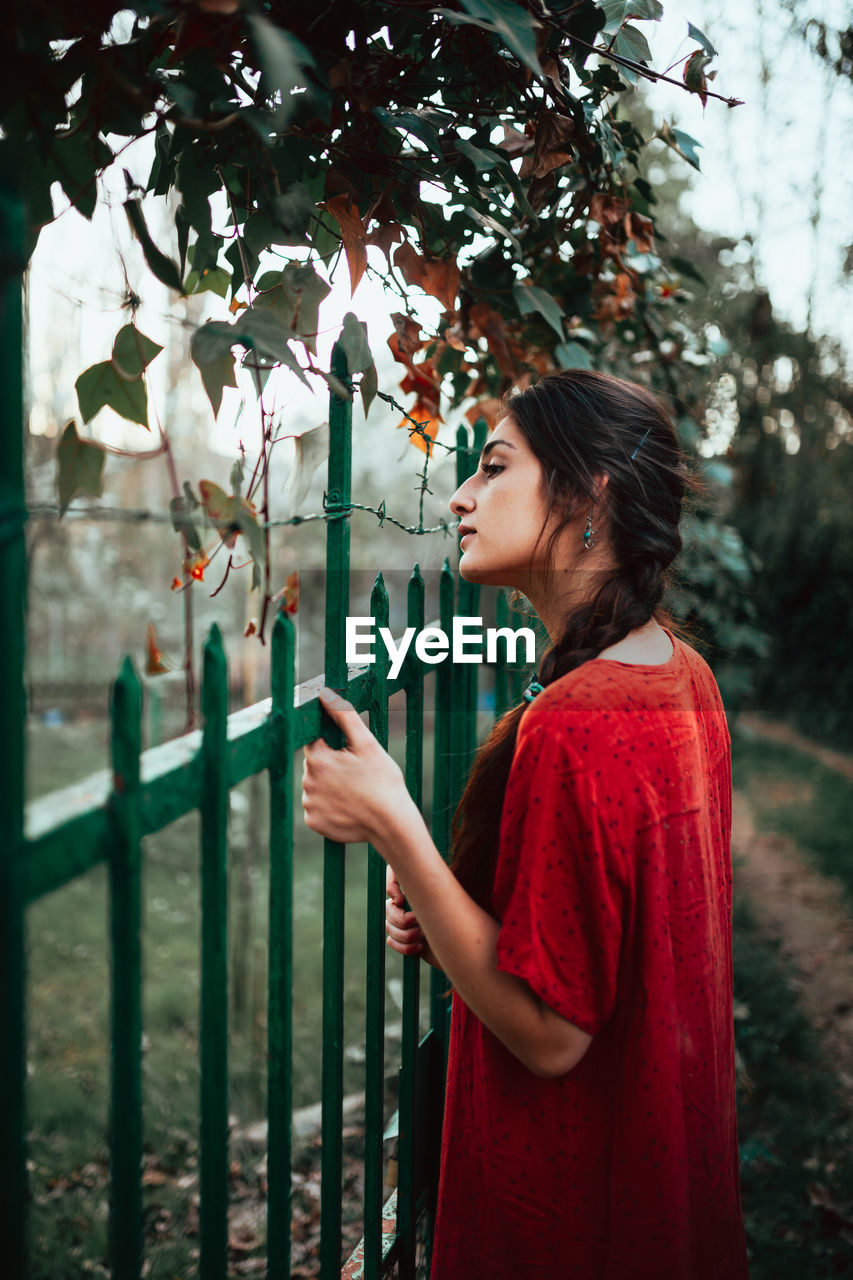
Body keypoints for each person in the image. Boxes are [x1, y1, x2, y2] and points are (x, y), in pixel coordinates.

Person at [301, 369, 750, 1279]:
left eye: (494, 469)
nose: (460, 498)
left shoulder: (576, 721)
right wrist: (455, 912)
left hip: (573, 1217)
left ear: (591, 495)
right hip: (668, 1196)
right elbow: (612, 937)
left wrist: (396, 826)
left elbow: (552, 1036)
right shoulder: (681, 677)